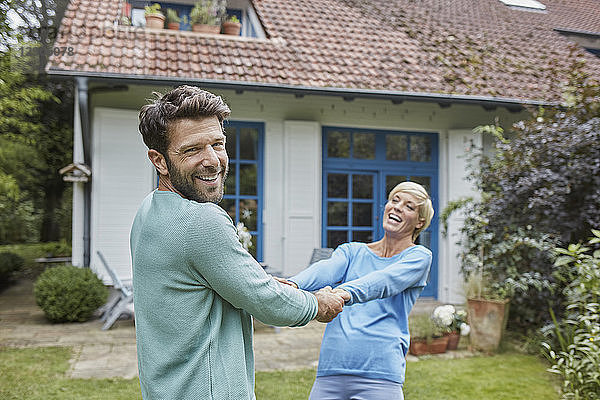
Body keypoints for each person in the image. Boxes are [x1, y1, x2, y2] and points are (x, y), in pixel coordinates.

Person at [130, 85, 349, 400]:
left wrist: (267, 283)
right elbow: (267, 304)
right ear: (160, 161)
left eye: (218, 144)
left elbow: (206, 283)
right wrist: (318, 304)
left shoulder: (149, 211)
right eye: (192, 150)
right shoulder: (201, 220)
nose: (213, 161)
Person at [282, 181, 434, 400]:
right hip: (332, 369)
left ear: (420, 222)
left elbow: (383, 281)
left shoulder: (418, 257)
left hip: (381, 375)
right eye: (394, 200)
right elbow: (325, 269)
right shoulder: (352, 251)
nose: (398, 207)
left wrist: (343, 293)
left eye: (409, 206)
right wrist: (292, 285)